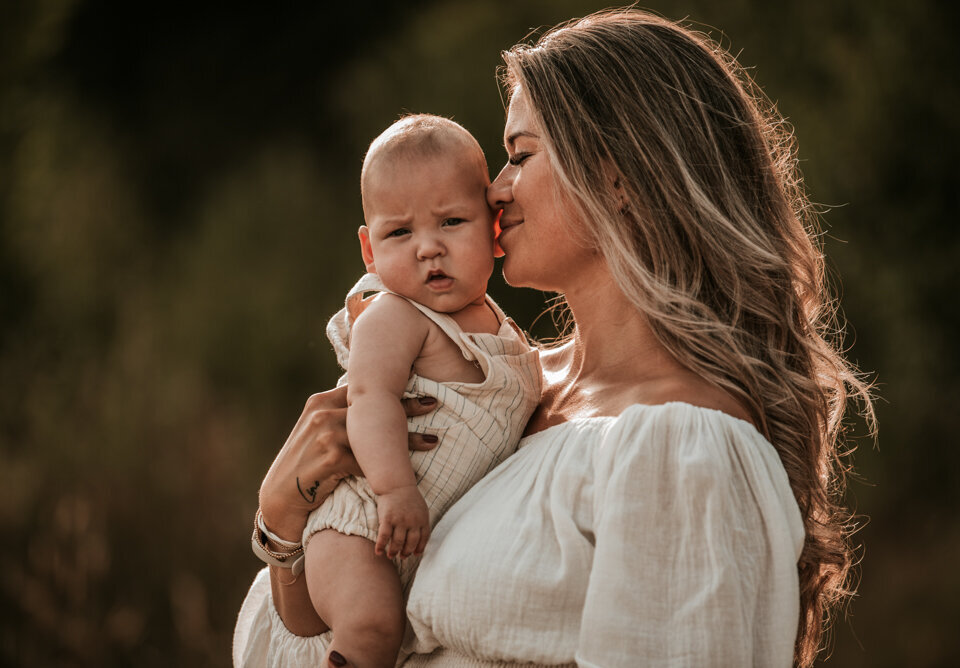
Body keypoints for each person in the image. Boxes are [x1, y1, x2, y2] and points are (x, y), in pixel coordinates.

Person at [235, 7, 875, 667]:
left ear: (618, 176)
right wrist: (282, 524)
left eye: (520, 155)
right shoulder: (488, 392)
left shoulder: (682, 448)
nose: (495, 188)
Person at [244, 114, 540, 667]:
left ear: (493, 228)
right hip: (359, 523)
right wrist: (394, 490)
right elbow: (371, 399)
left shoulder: (502, 331)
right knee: (373, 627)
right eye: (400, 232)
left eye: (451, 222)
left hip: (413, 543)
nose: (427, 248)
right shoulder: (394, 316)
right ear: (370, 252)